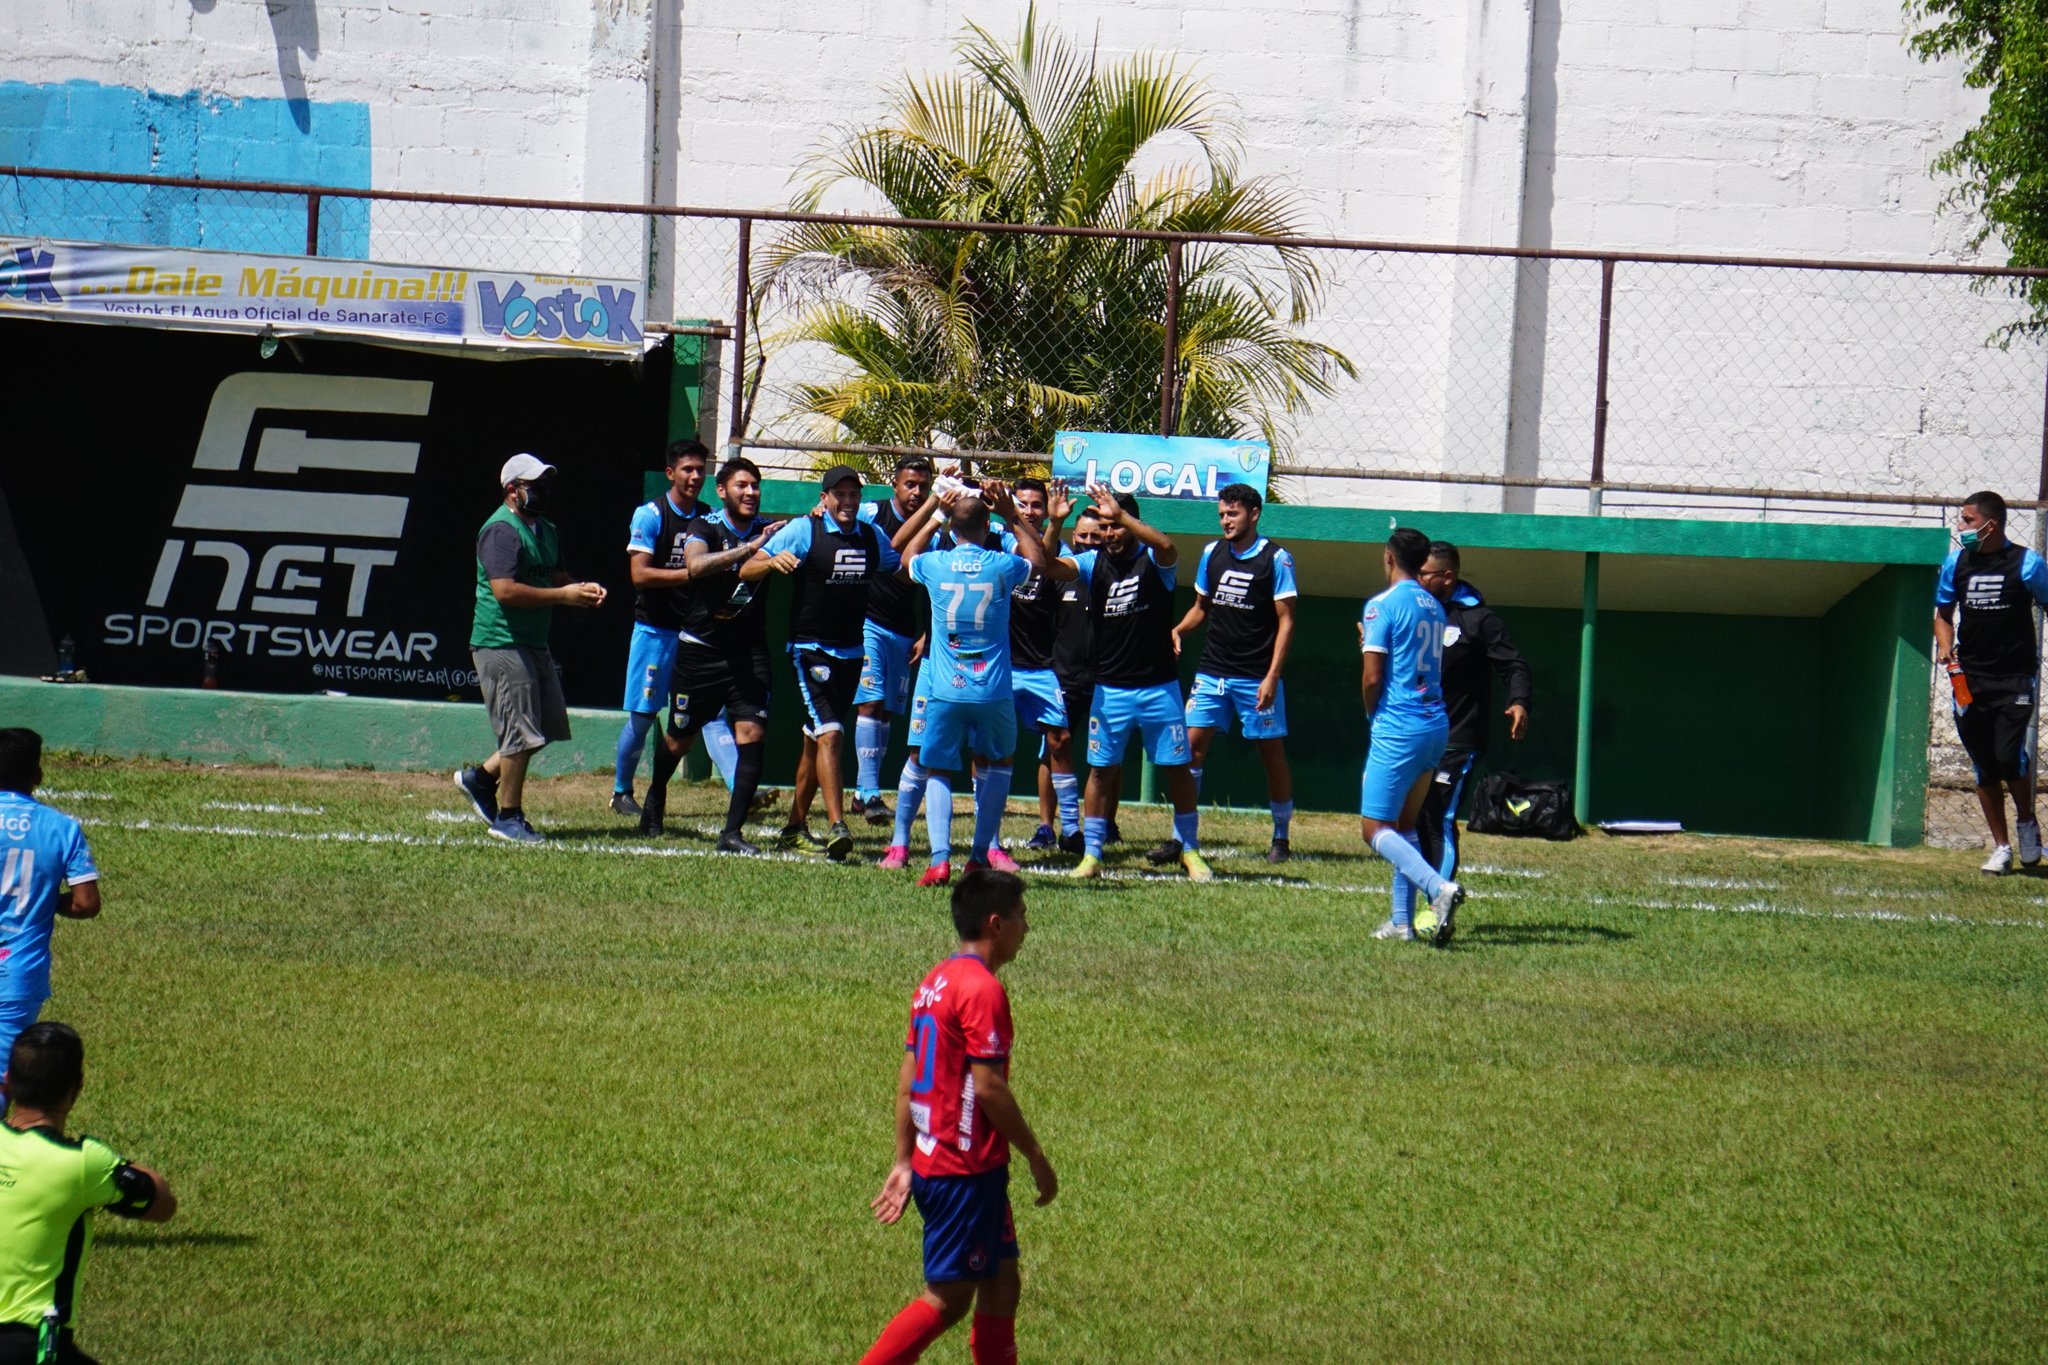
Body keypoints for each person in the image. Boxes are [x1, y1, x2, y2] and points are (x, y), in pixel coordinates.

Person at [859, 870, 1056, 1365]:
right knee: (948, 1300)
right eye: (1021, 917)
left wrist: (905, 1159)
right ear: (996, 924)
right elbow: (989, 1087)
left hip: (950, 1163)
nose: (1026, 928)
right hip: (962, 1171)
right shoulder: (982, 990)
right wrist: (1035, 1155)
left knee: (1002, 1281)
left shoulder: (935, 980)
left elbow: (909, 1076)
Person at [896, 481, 1067, 885]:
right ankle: (977, 855)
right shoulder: (1001, 565)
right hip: (992, 689)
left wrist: (938, 508)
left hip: (946, 688)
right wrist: (1013, 515)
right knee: (998, 766)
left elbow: (906, 557)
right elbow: (1038, 562)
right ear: (987, 524)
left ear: (952, 530)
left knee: (937, 767)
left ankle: (939, 858)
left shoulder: (936, 564)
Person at [747, 465, 905, 862]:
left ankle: (793, 828)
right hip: (810, 649)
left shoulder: (871, 536)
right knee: (832, 733)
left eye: (855, 495)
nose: (848, 501)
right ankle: (837, 825)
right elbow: (748, 567)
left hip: (852, 652)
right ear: (825, 498)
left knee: (813, 740)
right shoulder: (805, 531)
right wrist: (771, 561)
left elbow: (900, 564)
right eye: (840, 494)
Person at [0, 1022, 175, 1365]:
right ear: (77, 1088)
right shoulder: (82, 1164)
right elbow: (162, 1204)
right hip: (33, 1348)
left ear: (8, 1080)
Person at [636, 457, 786, 852]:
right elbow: (696, 565)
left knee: (752, 732)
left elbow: (804, 532)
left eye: (755, 485)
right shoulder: (705, 527)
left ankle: (731, 833)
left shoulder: (770, 529)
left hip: (748, 653)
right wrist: (749, 549)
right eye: (742, 485)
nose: (751, 492)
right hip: (700, 652)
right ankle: (655, 797)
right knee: (679, 738)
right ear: (722, 491)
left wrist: (816, 514)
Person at [455, 454, 607, 843]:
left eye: (544, 484)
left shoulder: (547, 529)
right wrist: (563, 595)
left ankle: (481, 778)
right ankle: (508, 817)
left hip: (533, 642)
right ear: (512, 490)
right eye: (533, 484)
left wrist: (581, 589)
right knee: (520, 734)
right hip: (500, 641)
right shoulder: (501, 531)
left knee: (545, 726)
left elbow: (554, 574)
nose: (542, 491)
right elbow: (504, 591)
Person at [1060, 487, 1208, 881]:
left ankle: (1189, 849)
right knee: (1100, 771)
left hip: (1159, 687)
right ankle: (1092, 854)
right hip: (1110, 690)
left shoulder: (1154, 564)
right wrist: (1055, 522)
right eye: (1103, 526)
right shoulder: (1093, 564)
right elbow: (1050, 568)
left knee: (1178, 768)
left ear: (1130, 523)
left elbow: (1168, 546)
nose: (1107, 534)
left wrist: (1121, 516)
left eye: (1113, 526)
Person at [1166, 483, 1299, 865]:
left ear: (1254, 514)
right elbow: (1200, 607)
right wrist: (1177, 630)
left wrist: (1272, 676)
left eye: (1233, 514)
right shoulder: (1212, 553)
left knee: (1270, 753)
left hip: (1255, 676)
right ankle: (1182, 838)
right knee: (1188, 750)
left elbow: (1287, 622)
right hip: (1212, 672)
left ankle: (1281, 836)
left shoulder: (1277, 559)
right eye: (1222, 514)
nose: (1226, 520)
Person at [608, 439, 739, 817]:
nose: (696, 476)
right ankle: (621, 792)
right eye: (688, 469)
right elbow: (639, 575)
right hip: (655, 632)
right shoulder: (650, 515)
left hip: (697, 634)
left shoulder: (711, 518)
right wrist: (693, 571)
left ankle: (738, 789)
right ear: (670, 473)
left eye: (701, 469)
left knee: (712, 714)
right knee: (644, 715)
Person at [1359, 528, 1465, 945]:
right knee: (1406, 825)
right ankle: (1401, 923)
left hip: (1399, 724)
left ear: (1388, 557)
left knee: (1374, 829)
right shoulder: (1435, 607)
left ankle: (1438, 888)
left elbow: (1372, 677)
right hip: (1436, 724)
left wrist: (1373, 713)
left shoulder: (1381, 605)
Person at [1934, 489, 2048, 873]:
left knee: (2006, 755)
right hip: (1970, 678)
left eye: (1967, 520)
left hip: (2015, 677)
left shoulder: (2027, 564)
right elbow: (1943, 614)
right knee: (1984, 764)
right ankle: (2001, 847)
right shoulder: (1957, 563)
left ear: (1990, 524)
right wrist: (1946, 647)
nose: (1960, 527)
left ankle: (2027, 823)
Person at [1417, 541, 1532, 881]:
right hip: (1417, 733)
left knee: (1438, 815)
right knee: (1417, 816)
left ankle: (1440, 899)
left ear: (1447, 576)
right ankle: (1427, 891)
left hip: (1458, 737)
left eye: (1423, 574)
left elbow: (1514, 666)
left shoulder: (1479, 620)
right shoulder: (1415, 612)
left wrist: (1519, 701)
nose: (1416, 579)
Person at [0, 731, 99, 1065]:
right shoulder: (61, 828)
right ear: (37, 775)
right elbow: (86, 903)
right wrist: (44, 900)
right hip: (16, 972)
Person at [853, 457, 936, 825]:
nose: (916, 491)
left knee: (885, 711)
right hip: (867, 621)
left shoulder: (936, 532)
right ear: (895, 485)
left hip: (904, 631)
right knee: (869, 704)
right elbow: (834, 517)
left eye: (923, 485)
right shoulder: (873, 512)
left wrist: (925, 633)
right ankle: (871, 794)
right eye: (910, 484)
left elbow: (933, 585)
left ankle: (860, 792)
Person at [1006, 479, 1081, 854]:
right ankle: (987, 831)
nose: (1030, 511)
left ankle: (1070, 829)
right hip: (998, 667)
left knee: (1060, 740)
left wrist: (1054, 523)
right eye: (1024, 504)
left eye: (1037, 505)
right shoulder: (995, 543)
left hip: (1039, 666)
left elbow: (1044, 566)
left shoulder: (1060, 550)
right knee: (991, 748)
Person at [1042, 490, 1115, 854]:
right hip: (1064, 675)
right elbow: (1044, 560)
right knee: (1053, 749)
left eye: (1096, 536)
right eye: (1083, 536)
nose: (1089, 542)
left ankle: (1107, 823)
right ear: (1074, 537)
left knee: (1107, 756)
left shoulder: (1115, 573)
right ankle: (1046, 825)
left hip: (1106, 675)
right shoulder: (1063, 572)